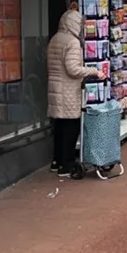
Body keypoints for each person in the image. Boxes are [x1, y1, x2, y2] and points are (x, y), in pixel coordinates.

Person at [47, 10, 106, 177]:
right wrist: (94, 71)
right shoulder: (72, 42)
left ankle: (57, 161)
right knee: (71, 125)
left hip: (55, 87)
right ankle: (66, 164)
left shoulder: (55, 38)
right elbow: (72, 69)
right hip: (68, 89)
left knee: (59, 125)